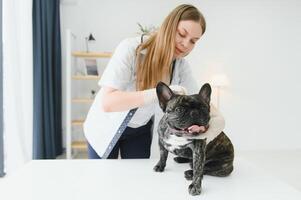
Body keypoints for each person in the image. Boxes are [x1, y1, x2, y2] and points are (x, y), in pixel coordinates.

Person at [83, 4, 225, 159]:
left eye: (193, 41)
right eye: (182, 34)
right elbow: (108, 102)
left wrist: (217, 118)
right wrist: (155, 94)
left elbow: (198, 100)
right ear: (168, 26)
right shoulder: (131, 48)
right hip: (106, 127)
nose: (186, 44)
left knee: (137, 179)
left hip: (140, 131)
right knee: (105, 178)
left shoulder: (181, 66)